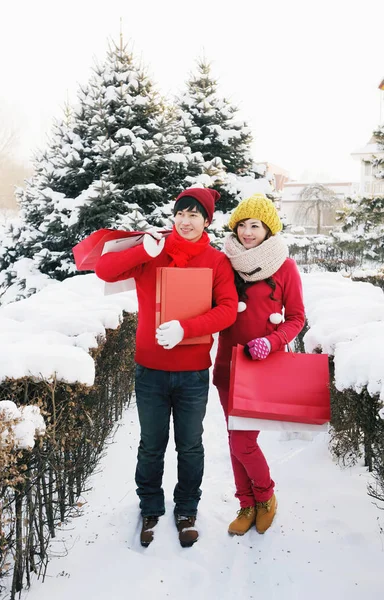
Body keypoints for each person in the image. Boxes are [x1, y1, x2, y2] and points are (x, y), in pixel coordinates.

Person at [95, 188, 238, 548]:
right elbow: (104, 271)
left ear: (207, 221)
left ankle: (187, 509)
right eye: (180, 214)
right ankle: (150, 509)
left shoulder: (215, 260)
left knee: (190, 445)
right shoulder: (153, 248)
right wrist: (143, 250)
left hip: (192, 372)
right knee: (151, 444)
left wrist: (186, 329)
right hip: (151, 369)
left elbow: (227, 308)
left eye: (194, 215)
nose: (185, 221)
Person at [213, 193, 305, 536]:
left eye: (255, 225)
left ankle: (265, 496)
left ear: (268, 229)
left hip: (263, 366)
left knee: (242, 441)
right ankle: (246, 503)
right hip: (228, 365)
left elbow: (296, 318)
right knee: (234, 437)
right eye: (242, 225)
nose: (248, 232)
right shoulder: (225, 263)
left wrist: (272, 340)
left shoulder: (285, 267)